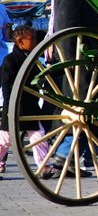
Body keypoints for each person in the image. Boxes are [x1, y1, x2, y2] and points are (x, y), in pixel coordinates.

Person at [0, 25, 56, 179]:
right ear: (20, 41)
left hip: (30, 105)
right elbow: (6, 86)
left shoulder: (33, 58)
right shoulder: (10, 60)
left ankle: (44, 167)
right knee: (5, 140)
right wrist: (12, 104)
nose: (36, 42)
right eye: (32, 39)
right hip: (14, 106)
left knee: (39, 136)